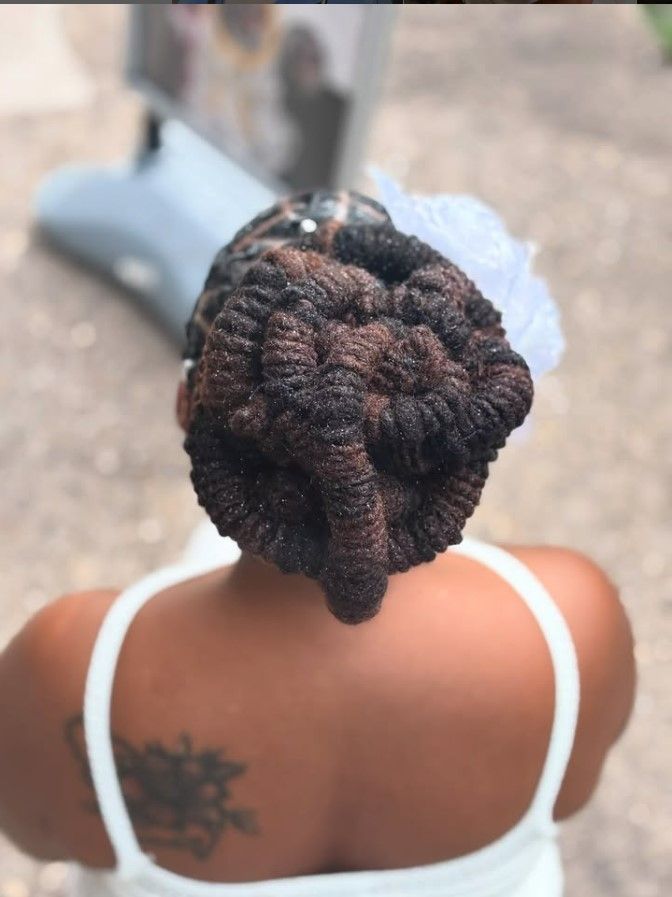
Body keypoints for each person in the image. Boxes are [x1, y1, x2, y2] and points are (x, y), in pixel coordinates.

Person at [0, 190, 635, 897]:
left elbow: (34, 824)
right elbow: (572, 792)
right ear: (453, 422)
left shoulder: (75, 673)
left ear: (190, 409)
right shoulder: (574, 626)